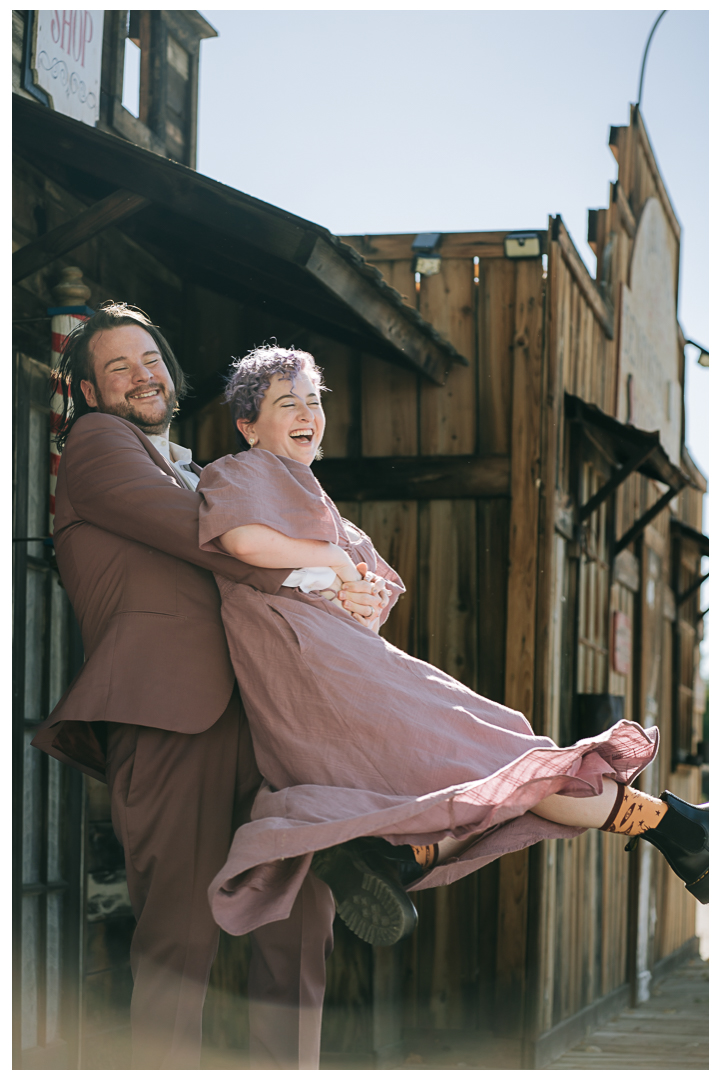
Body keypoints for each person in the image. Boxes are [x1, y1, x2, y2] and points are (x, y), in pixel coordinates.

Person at [191, 344, 709, 952]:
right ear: (248, 424)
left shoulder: (316, 497)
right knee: (500, 757)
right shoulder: (239, 472)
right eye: (287, 402)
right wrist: (334, 564)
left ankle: (417, 855)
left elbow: (372, 594)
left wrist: (358, 597)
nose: (307, 412)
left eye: (313, 399)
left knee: (500, 757)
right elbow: (245, 540)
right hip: (312, 673)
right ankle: (677, 828)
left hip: (346, 662)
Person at [30, 303, 387, 1070]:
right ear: (91, 393)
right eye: (117, 368)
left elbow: (276, 545)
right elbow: (204, 534)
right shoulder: (95, 445)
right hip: (173, 719)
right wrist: (321, 567)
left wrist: (353, 588)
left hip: (267, 718)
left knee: (300, 924)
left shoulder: (208, 470)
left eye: (150, 359)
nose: (141, 376)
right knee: (181, 939)